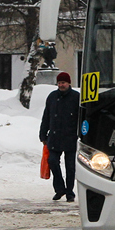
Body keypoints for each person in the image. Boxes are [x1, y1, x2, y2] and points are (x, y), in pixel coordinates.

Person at [39, 71, 79, 203]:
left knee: (70, 167)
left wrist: (82, 135)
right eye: (59, 83)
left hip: (70, 137)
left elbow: (82, 118)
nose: (61, 85)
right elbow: (46, 117)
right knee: (52, 161)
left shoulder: (76, 97)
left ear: (69, 83)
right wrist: (43, 134)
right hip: (54, 137)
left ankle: (70, 192)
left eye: (63, 83)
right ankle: (60, 189)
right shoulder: (52, 97)